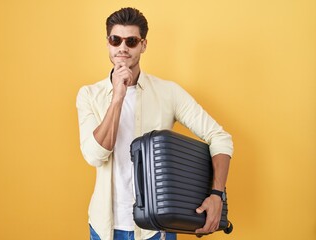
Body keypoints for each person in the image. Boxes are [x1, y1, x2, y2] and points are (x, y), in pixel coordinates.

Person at [76, 7, 233, 240]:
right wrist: (117, 97)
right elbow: (94, 156)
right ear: (108, 43)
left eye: (131, 41)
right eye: (115, 39)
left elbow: (220, 138)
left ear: (143, 45)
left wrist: (216, 194)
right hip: (104, 227)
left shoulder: (169, 93)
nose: (122, 48)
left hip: (156, 228)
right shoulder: (89, 95)